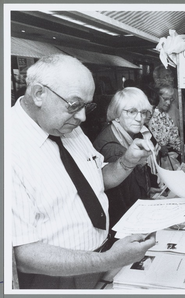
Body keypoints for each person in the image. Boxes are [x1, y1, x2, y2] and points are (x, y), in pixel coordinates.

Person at [11, 54, 156, 289]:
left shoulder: (71, 130)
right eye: (74, 104)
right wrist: (107, 259)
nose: (83, 117)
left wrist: (127, 161)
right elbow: (24, 254)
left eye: (87, 105)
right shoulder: (9, 148)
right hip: (55, 280)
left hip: (99, 261)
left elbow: (98, 180)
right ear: (39, 94)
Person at [93, 87, 160, 230]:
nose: (139, 118)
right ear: (116, 114)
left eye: (143, 112)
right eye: (132, 112)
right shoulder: (113, 149)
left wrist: (146, 190)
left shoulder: (123, 136)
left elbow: (128, 188)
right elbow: (122, 206)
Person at [153, 65, 185, 149]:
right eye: (167, 76)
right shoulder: (153, 95)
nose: (171, 78)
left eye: (171, 75)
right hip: (159, 140)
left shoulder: (177, 93)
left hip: (177, 137)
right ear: (157, 79)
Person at [148, 83, 185, 165]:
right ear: (157, 97)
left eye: (170, 100)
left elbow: (174, 138)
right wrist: (159, 148)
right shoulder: (148, 115)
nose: (168, 103)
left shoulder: (166, 116)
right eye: (165, 99)